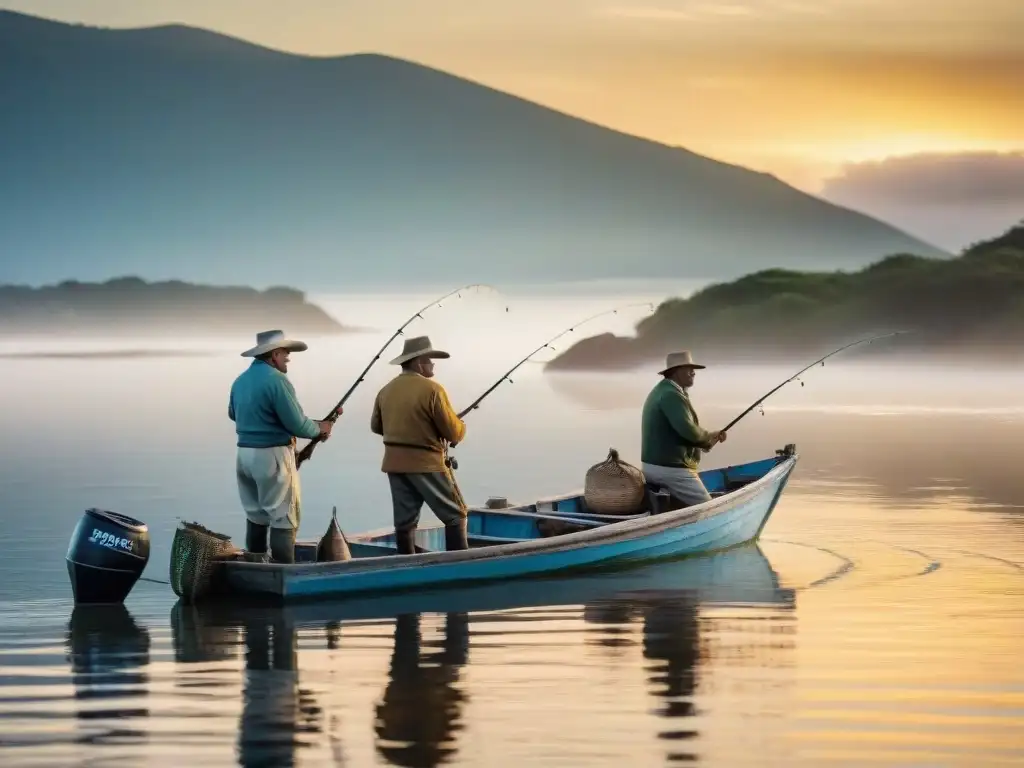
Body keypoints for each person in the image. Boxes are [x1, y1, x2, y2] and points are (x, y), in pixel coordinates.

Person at [228, 329, 340, 563]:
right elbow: (298, 425)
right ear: (274, 354)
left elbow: (232, 414)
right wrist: (321, 428)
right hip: (273, 456)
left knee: (256, 514)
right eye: (285, 352)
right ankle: (283, 571)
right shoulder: (277, 381)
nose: (289, 356)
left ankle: (255, 565)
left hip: (244, 456)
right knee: (283, 516)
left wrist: (316, 425)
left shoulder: (240, 381)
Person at [370, 335, 468, 554]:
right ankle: (459, 566)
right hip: (427, 463)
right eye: (430, 359)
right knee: (456, 514)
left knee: (405, 521)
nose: (433, 364)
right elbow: (454, 432)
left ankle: (405, 565)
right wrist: (461, 425)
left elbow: (376, 426)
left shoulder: (385, 391)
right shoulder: (433, 390)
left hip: (394, 464)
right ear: (418, 362)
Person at [640, 350, 727, 508]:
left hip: (654, 467)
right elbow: (689, 431)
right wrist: (707, 437)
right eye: (689, 369)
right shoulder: (671, 395)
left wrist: (707, 441)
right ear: (677, 371)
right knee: (709, 509)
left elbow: (682, 430)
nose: (693, 373)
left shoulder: (664, 390)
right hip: (670, 470)